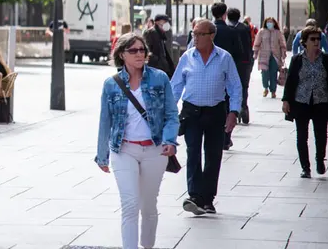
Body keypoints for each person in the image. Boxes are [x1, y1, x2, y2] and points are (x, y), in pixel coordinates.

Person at [95, 33, 179, 249]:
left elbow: (171, 114)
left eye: (142, 50)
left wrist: (170, 140)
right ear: (122, 54)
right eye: (133, 50)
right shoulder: (111, 84)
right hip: (124, 150)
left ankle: (147, 246)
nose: (139, 54)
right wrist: (102, 154)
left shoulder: (159, 78)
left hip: (155, 150)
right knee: (130, 204)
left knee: (148, 206)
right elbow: (105, 121)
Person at [171, 19, 242, 216]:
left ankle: (208, 199)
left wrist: (233, 112)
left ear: (211, 36)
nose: (195, 37)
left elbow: (235, 87)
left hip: (215, 112)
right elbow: (176, 86)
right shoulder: (187, 57)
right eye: (193, 33)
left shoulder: (224, 58)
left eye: (199, 34)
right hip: (191, 112)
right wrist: (169, 112)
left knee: (213, 155)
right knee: (193, 152)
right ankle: (194, 196)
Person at [282, 26, 328, 178]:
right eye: (313, 39)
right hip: (301, 101)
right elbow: (290, 81)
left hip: (321, 101)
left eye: (318, 39)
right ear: (305, 42)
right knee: (302, 136)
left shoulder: (326, 59)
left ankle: (320, 159)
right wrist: (286, 100)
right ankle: (305, 167)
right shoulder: (297, 60)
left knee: (321, 134)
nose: (316, 42)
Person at [211, 3, 243, 150]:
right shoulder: (231, 32)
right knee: (228, 103)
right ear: (224, 14)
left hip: (211, 72)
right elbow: (239, 52)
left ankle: (216, 135)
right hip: (228, 72)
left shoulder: (208, 31)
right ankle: (226, 137)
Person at [227, 8, 253, 125]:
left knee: (231, 86)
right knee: (243, 86)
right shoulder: (245, 28)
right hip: (244, 62)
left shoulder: (228, 28)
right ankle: (243, 107)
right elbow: (249, 44)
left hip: (233, 62)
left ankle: (235, 109)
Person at [253, 17, 286, 99]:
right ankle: (265, 88)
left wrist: (283, 53)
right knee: (264, 73)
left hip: (275, 56)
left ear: (274, 23)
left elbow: (282, 44)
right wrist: (255, 53)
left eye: (271, 22)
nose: (269, 24)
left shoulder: (278, 33)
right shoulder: (261, 32)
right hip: (264, 56)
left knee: (273, 74)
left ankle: (273, 91)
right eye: (268, 22)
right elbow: (257, 43)